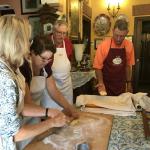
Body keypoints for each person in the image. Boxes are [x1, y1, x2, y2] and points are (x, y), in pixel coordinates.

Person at [0, 15, 67, 150]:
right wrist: (51, 122)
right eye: (26, 40)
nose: (27, 47)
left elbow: (20, 106)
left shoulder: (13, 68)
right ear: (15, 42)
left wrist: (49, 112)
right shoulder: (4, 78)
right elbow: (14, 135)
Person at [20, 35, 77, 118]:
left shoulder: (45, 67)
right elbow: (27, 102)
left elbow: (54, 91)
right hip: (23, 116)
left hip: (36, 114)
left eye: (49, 59)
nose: (46, 62)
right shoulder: (24, 68)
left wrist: (69, 108)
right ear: (32, 52)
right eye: (43, 58)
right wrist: (49, 113)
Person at [93, 19, 135, 96]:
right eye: (116, 35)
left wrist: (129, 83)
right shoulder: (103, 45)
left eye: (122, 36)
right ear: (112, 31)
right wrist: (101, 83)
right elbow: (97, 67)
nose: (118, 39)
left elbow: (128, 66)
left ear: (126, 33)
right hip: (106, 84)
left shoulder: (129, 45)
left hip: (120, 84)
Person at [41, 19, 74, 109]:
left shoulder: (68, 43)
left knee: (67, 116)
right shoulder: (45, 42)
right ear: (53, 31)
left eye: (64, 33)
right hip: (50, 87)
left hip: (66, 87)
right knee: (52, 117)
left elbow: (70, 60)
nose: (62, 36)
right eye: (59, 33)